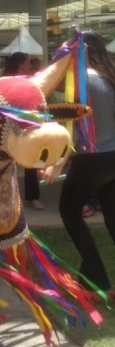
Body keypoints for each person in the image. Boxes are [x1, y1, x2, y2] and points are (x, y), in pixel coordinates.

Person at [44, 29, 115, 295]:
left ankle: (95, 280)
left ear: (82, 50)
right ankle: (90, 278)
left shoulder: (82, 83)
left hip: (92, 159)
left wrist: (58, 163)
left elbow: (74, 128)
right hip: (112, 158)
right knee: (113, 221)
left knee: (70, 211)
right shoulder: (110, 76)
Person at [2, 52, 44, 210]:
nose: (30, 66)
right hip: (8, 127)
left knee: (30, 162)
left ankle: (32, 197)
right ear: (20, 64)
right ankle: (6, 197)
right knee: (6, 163)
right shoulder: (5, 81)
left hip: (27, 126)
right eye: (27, 62)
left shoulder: (32, 81)